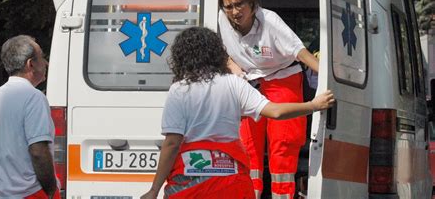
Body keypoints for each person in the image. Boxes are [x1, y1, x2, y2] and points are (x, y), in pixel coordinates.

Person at [140, 27, 334, 199]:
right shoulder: (233, 84)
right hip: (232, 183)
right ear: (216, 53)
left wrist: (154, 190)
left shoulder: (179, 90)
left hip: (190, 184)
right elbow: (275, 111)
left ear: (182, 58)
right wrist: (313, 105)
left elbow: (173, 143)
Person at [218, 0, 320, 198]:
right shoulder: (221, 20)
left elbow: (299, 52)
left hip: (283, 79)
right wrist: (236, 71)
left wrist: (327, 75)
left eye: (239, 5)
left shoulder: (269, 20)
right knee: (247, 146)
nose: (234, 11)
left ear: (252, 5)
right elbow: (222, 52)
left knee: (282, 145)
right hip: (249, 81)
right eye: (229, 6)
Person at [0, 35, 60, 198]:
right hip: (31, 193)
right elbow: (38, 151)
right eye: (42, 57)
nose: (46, 63)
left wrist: (4, 180)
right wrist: (50, 191)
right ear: (31, 64)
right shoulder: (34, 97)